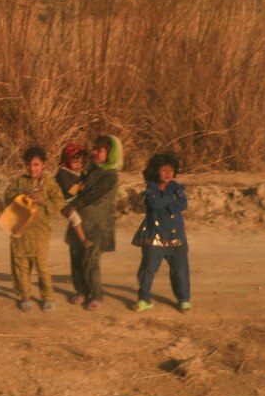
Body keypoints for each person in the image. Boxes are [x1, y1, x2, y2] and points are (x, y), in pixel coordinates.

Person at [62, 134, 123, 311]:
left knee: (90, 259)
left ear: (111, 154)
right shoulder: (91, 170)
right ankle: (81, 290)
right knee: (76, 257)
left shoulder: (110, 176)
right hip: (80, 222)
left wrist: (74, 205)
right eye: (95, 148)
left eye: (100, 150)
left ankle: (97, 294)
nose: (95, 152)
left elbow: (94, 194)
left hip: (98, 224)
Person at [3, 146, 65, 312]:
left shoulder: (49, 184)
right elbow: (6, 196)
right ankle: (26, 297)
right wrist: (20, 196)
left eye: (36, 164)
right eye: (29, 164)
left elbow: (59, 203)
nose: (32, 168)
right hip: (19, 230)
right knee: (20, 264)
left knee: (42, 266)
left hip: (40, 232)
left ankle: (47, 296)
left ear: (43, 165)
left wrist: (41, 202)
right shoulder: (19, 182)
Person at [132, 153, 191, 313]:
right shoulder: (151, 188)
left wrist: (168, 199)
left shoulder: (176, 186)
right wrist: (171, 199)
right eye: (164, 170)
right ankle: (144, 299)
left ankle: (184, 299)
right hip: (154, 235)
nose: (168, 173)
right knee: (147, 270)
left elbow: (183, 204)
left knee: (180, 269)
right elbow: (154, 204)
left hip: (175, 235)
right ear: (155, 171)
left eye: (171, 170)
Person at [55, 143, 92, 248]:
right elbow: (71, 190)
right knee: (76, 219)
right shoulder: (62, 173)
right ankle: (83, 240)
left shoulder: (77, 173)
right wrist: (80, 188)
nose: (78, 165)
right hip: (64, 203)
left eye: (80, 162)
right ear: (67, 160)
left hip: (74, 201)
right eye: (75, 162)